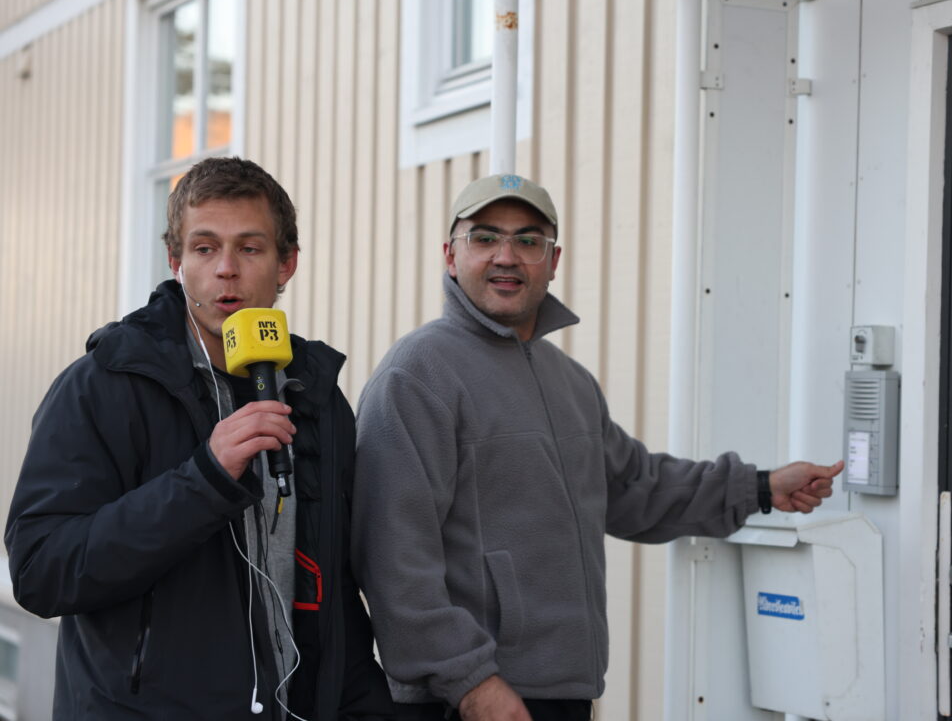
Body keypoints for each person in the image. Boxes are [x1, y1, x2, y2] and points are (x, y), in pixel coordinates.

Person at [352, 173, 844, 721]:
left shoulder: (571, 382)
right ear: (450, 254)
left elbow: (634, 487)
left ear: (554, 260)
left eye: (529, 240)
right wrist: (471, 682)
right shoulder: (417, 375)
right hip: (468, 700)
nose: (506, 256)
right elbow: (393, 556)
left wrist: (760, 487)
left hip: (560, 691)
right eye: (485, 237)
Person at [5, 157, 393, 720]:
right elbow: (41, 573)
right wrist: (203, 479)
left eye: (251, 249)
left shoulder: (316, 395)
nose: (226, 271)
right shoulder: (105, 386)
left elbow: (336, 590)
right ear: (176, 262)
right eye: (205, 248)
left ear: (287, 264)